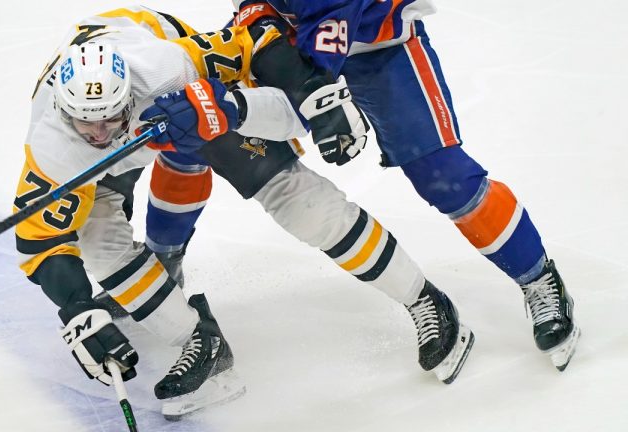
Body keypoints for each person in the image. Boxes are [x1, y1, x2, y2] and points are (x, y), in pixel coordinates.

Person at [15, 5, 475, 421]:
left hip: (182, 98)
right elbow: (41, 242)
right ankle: (200, 344)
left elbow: (258, 49)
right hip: (121, 107)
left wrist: (262, 103)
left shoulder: (166, 70)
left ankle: (424, 298)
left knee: (300, 201)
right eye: (85, 123)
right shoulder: (55, 143)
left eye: (108, 120)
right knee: (94, 236)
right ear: (62, 109)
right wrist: (76, 308)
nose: (98, 136)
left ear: (128, 99)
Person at [158, 0, 580, 370]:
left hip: (382, 49)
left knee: (445, 178)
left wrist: (316, 97)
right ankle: (422, 300)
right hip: (291, 54)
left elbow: (329, 17)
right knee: (200, 129)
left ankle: (537, 277)